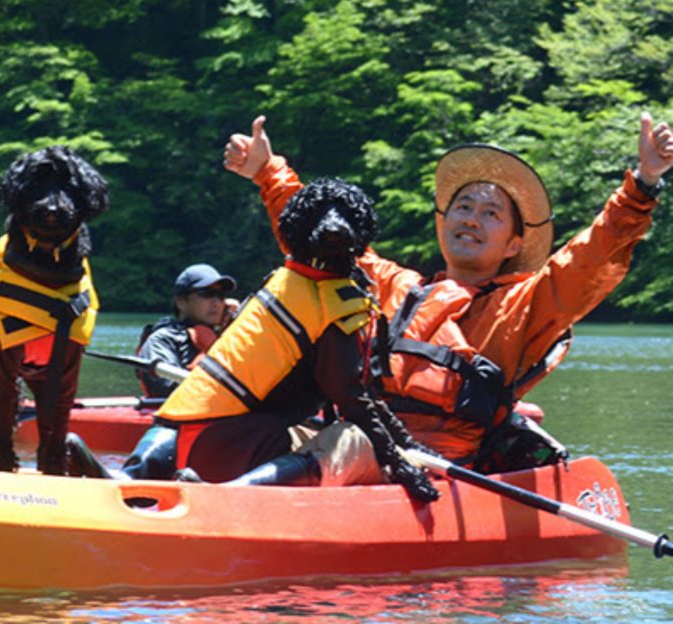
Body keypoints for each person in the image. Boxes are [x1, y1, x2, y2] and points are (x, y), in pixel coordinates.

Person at [224, 112, 673, 470]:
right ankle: (205, 496)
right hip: (358, 443)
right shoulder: (393, 285)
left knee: (349, 441)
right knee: (248, 429)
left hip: (435, 464)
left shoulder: (523, 306)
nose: (472, 219)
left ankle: (248, 499)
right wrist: (267, 171)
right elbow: (315, 238)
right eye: (463, 207)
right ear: (444, 224)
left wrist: (643, 186)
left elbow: (592, 258)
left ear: (515, 244)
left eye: (491, 213)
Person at [152, 179, 438, 502]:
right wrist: (401, 466)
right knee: (352, 436)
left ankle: (143, 474)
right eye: (321, 216)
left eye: (342, 214)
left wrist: (411, 447)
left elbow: (362, 396)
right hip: (230, 447)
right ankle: (229, 495)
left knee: (330, 430)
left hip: (204, 440)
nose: (333, 225)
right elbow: (353, 404)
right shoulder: (327, 306)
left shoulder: (290, 287)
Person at [136, 263, 238, 399]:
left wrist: (235, 328)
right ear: (181, 302)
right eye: (207, 294)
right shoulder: (162, 339)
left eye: (220, 295)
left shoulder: (230, 337)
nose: (216, 302)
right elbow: (163, 389)